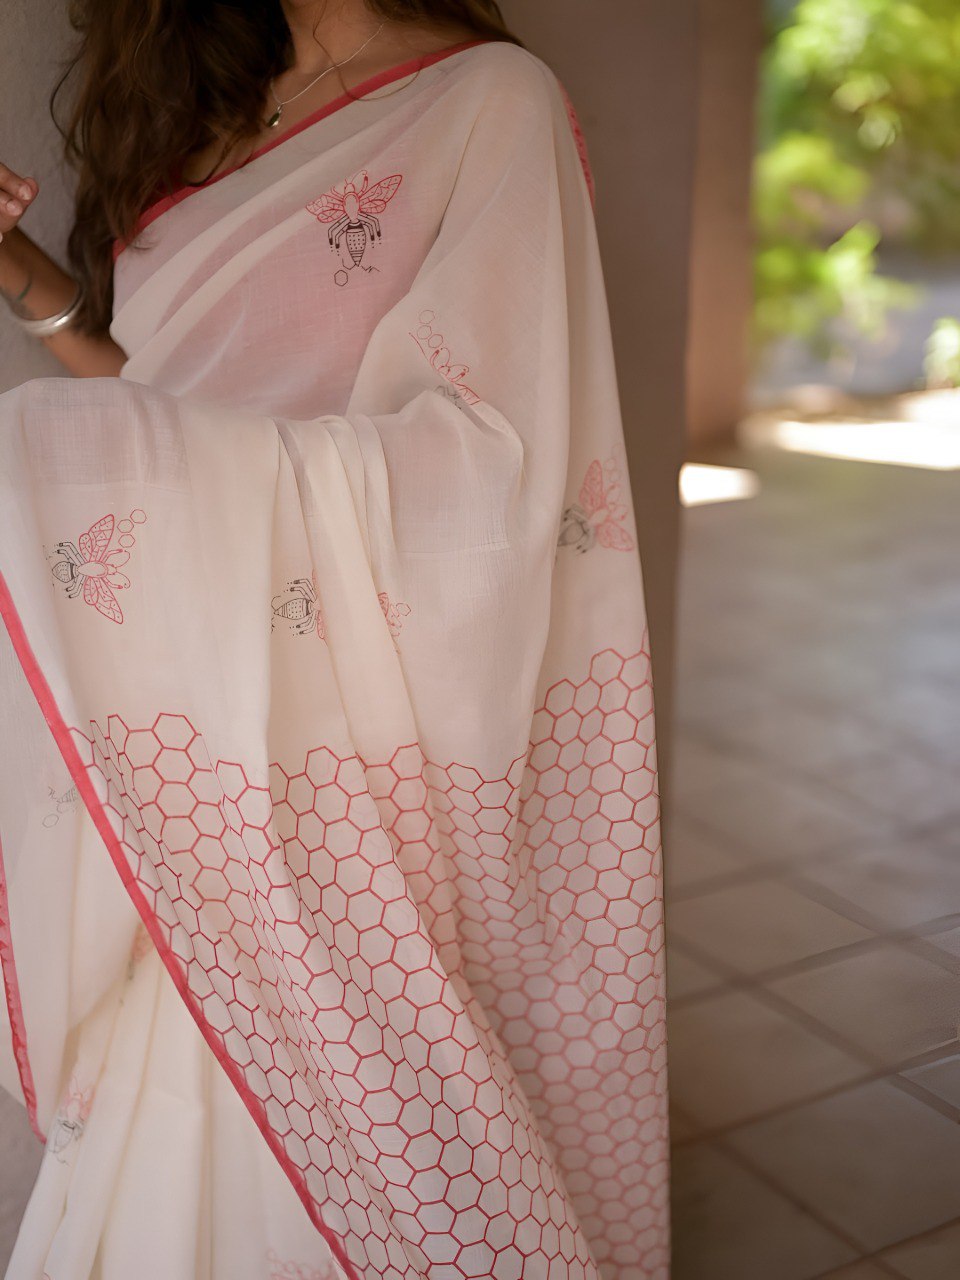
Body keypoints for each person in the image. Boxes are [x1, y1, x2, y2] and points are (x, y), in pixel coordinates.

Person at [0, 2, 669, 1277]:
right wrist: (20, 266)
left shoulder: (489, 103)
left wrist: (127, 471)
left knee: (343, 1132)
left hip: (339, 741)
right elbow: (162, 393)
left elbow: (492, 468)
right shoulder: (201, 112)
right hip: (189, 711)